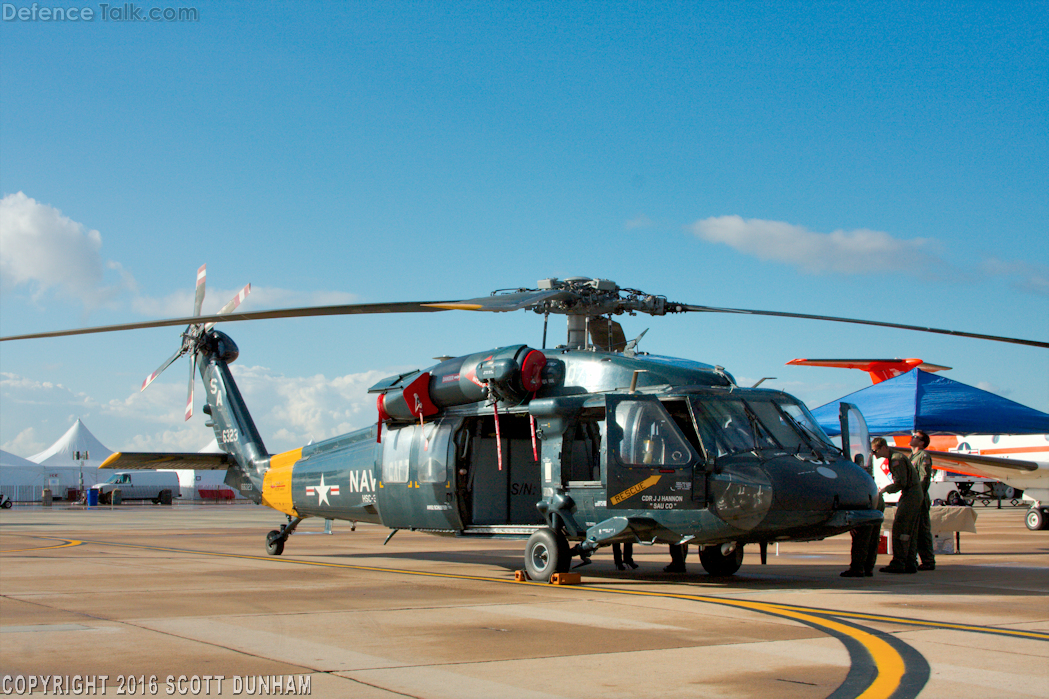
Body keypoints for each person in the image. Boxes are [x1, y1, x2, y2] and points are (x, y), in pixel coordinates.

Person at [873, 437, 922, 574]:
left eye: (876, 451)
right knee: (909, 530)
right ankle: (910, 562)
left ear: (883, 448)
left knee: (901, 528)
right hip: (912, 494)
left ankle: (899, 562)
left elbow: (901, 482)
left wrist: (885, 490)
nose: (875, 455)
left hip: (911, 494)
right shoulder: (895, 458)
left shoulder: (896, 460)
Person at [841, 452, 885, 577]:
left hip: (864, 501)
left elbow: (850, 495)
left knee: (861, 538)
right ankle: (869, 567)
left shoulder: (847, 471)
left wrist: (852, 524)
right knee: (873, 537)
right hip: (876, 498)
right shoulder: (859, 470)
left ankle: (857, 568)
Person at [910, 430, 936, 571]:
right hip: (913, 497)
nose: (912, 438)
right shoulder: (912, 456)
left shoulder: (923, 456)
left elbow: (924, 477)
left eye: (916, 437)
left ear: (922, 443)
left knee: (922, 530)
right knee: (914, 530)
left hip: (919, 497)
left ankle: (928, 560)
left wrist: (918, 496)